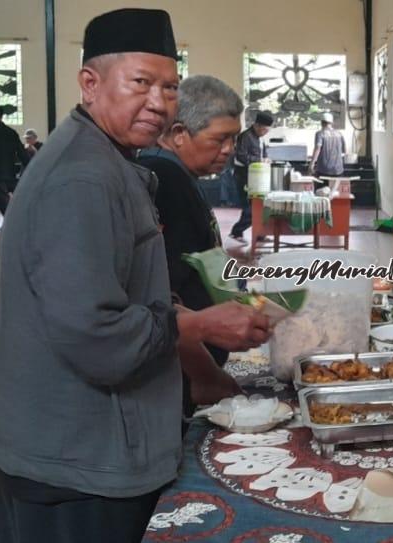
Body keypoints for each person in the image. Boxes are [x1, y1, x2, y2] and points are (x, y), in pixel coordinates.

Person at [0, 9, 267, 543]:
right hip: (72, 454)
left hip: (67, 444)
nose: (158, 102)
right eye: (141, 83)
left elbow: (122, 289)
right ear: (91, 82)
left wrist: (184, 316)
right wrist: (194, 328)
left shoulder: (107, 158)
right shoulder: (82, 178)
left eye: (170, 87)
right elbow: (97, 336)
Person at [138, 75, 269, 417]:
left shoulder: (177, 174)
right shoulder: (164, 181)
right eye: (219, 139)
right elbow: (164, 300)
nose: (229, 150)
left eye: (233, 139)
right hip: (181, 372)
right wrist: (206, 375)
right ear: (179, 133)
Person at [228, 111, 273, 241]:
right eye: (264, 129)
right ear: (257, 125)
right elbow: (240, 155)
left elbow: (263, 154)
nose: (266, 132)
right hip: (243, 175)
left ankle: (260, 233)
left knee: (260, 204)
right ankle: (236, 232)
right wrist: (258, 160)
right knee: (251, 207)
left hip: (256, 176)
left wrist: (266, 159)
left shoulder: (260, 137)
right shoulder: (245, 136)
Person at [309, 111, 346, 178]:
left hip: (323, 170)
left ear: (322, 122)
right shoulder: (339, 134)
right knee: (335, 189)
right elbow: (344, 152)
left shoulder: (320, 134)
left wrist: (312, 164)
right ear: (332, 122)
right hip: (338, 170)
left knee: (321, 189)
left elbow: (317, 149)